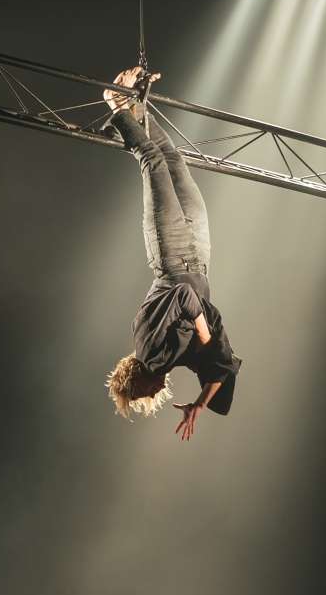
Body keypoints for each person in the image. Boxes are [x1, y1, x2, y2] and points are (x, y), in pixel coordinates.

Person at [101, 66, 243, 441]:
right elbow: (222, 369)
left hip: (170, 251)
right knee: (173, 160)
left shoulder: (150, 351)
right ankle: (135, 107)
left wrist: (204, 336)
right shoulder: (175, 359)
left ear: (136, 382)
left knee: (152, 160)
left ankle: (116, 104)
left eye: (139, 398)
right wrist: (200, 402)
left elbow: (183, 297)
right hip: (198, 253)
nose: (151, 399)